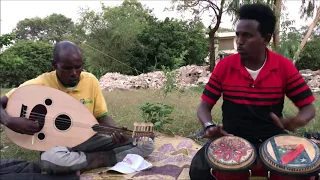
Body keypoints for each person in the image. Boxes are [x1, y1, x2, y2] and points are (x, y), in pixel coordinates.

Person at [189, 3, 317, 180]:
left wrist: (296, 121)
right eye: (237, 35)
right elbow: (204, 107)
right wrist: (209, 126)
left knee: (309, 170)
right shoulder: (224, 66)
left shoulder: (284, 67)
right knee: (199, 170)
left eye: (247, 36)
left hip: (271, 140)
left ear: (266, 38)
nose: (239, 41)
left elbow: (308, 108)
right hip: (232, 138)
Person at [0, 41, 154, 176]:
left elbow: (102, 116)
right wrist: (9, 121)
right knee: (51, 161)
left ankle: (90, 159)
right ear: (54, 65)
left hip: (89, 138)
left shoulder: (90, 80)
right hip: (56, 145)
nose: (74, 73)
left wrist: (114, 130)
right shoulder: (40, 83)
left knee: (146, 143)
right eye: (67, 68)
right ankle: (106, 158)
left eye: (78, 67)